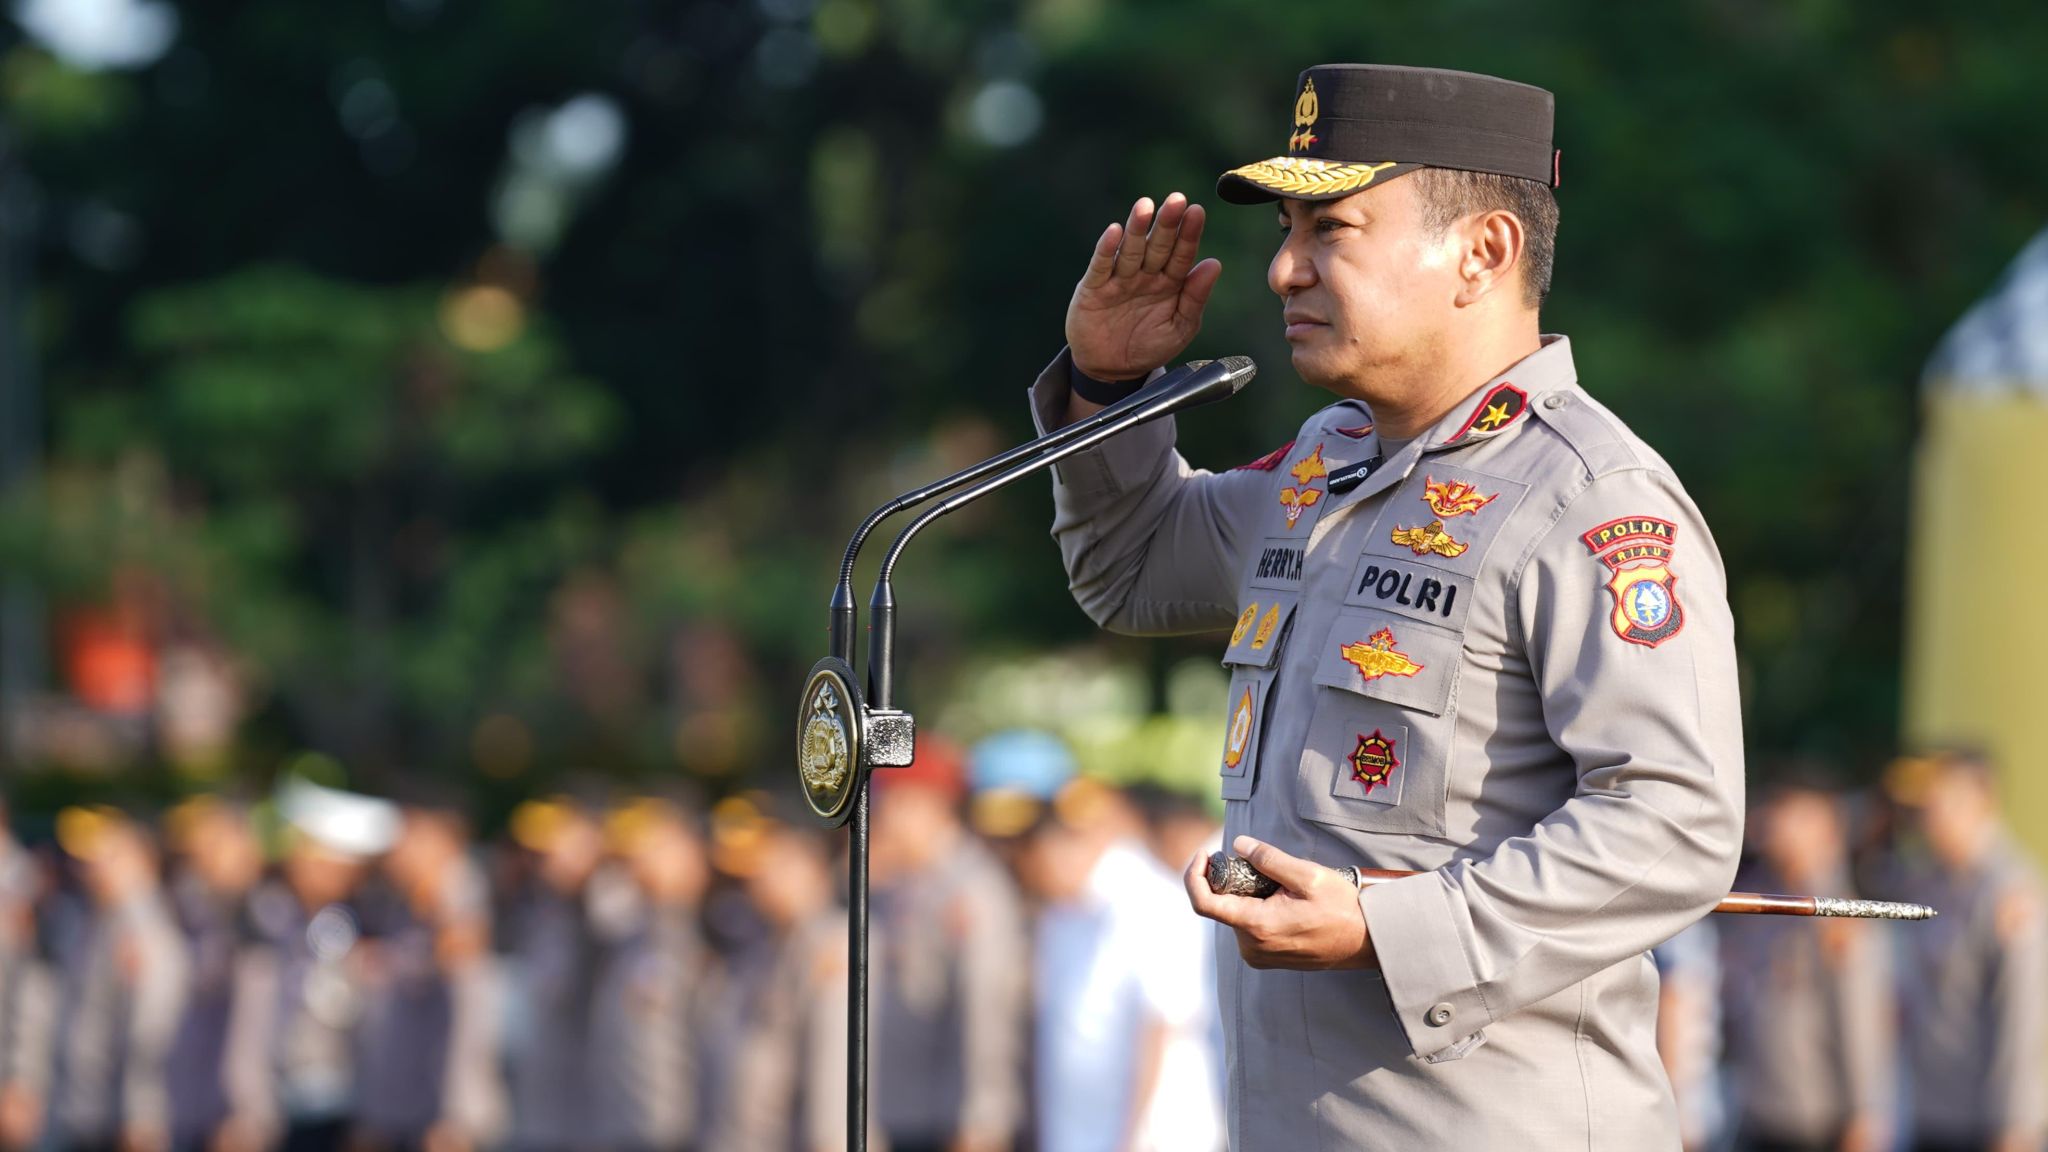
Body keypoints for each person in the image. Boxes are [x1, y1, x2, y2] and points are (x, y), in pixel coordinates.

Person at [1032, 63, 1745, 1149]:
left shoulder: (1591, 499)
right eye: (1286, 229)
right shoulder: (1324, 466)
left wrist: (1388, 926)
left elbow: (1675, 821)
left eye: (1332, 229)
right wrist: (1106, 392)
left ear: (1483, 252)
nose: (1281, 270)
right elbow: (1128, 570)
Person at [972, 735, 1224, 1152]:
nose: (1016, 866)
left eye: (1023, 850)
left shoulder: (1148, 899)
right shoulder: (1061, 913)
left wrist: (1130, 1142)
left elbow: (1161, 1029)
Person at [868, 736, 1028, 1152]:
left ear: (928, 805)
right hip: (906, 1113)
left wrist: (982, 1120)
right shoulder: (905, 883)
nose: (884, 820)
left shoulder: (973, 888)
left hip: (951, 1123)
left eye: (893, 805)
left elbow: (985, 1010)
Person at [1720, 777, 1893, 1152]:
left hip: (1816, 1121)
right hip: (1758, 1111)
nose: (1778, 827)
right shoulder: (1764, 899)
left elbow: (1859, 1022)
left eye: (1794, 815)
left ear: (1826, 827)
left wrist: (1864, 1113)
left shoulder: (1841, 916)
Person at [1888, 749, 2048, 1152]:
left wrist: (2015, 1126)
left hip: (1987, 1123)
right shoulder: (1929, 881)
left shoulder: (2008, 890)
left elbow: (2024, 1018)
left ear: (1981, 800)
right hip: (1932, 1111)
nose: (1927, 816)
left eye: (1937, 801)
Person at [355, 794, 505, 1152]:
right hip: (406, 1114)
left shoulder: (461, 908)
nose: (396, 850)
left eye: (409, 836)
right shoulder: (410, 905)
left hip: (444, 1124)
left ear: (442, 840)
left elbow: (472, 1019)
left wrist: (458, 1117)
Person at [701, 798, 851, 1152]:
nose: (758, 877)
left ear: (811, 860)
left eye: (774, 862)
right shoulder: (760, 944)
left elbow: (838, 1075)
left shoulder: (834, 944)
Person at [46, 807, 190, 1152]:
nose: (92, 868)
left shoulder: (144, 929)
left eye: (107, 857)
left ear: (142, 859)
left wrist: (140, 1115)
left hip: (117, 1121)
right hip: (85, 1112)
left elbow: (151, 1032)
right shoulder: (92, 917)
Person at [587, 794, 717, 1152]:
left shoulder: (712, 932)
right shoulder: (632, 933)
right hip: (621, 1126)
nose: (642, 859)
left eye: (657, 846)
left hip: (679, 1132)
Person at [161, 797, 266, 1152]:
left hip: (232, 1108)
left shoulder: (257, 916)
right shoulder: (180, 911)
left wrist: (248, 1110)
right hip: (183, 1103)